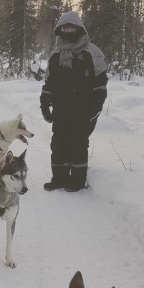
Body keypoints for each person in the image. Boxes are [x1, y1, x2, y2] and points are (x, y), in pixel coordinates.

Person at [39, 11, 108, 192]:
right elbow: (49, 81)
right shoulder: (55, 54)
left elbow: (100, 81)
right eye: (65, 28)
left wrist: (97, 103)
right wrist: (45, 102)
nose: (68, 31)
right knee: (59, 143)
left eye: (72, 27)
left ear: (79, 29)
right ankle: (59, 178)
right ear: (60, 30)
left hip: (83, 108)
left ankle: (77, 180)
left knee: (77, 143)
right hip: (61, 108)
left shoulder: (92, 52)